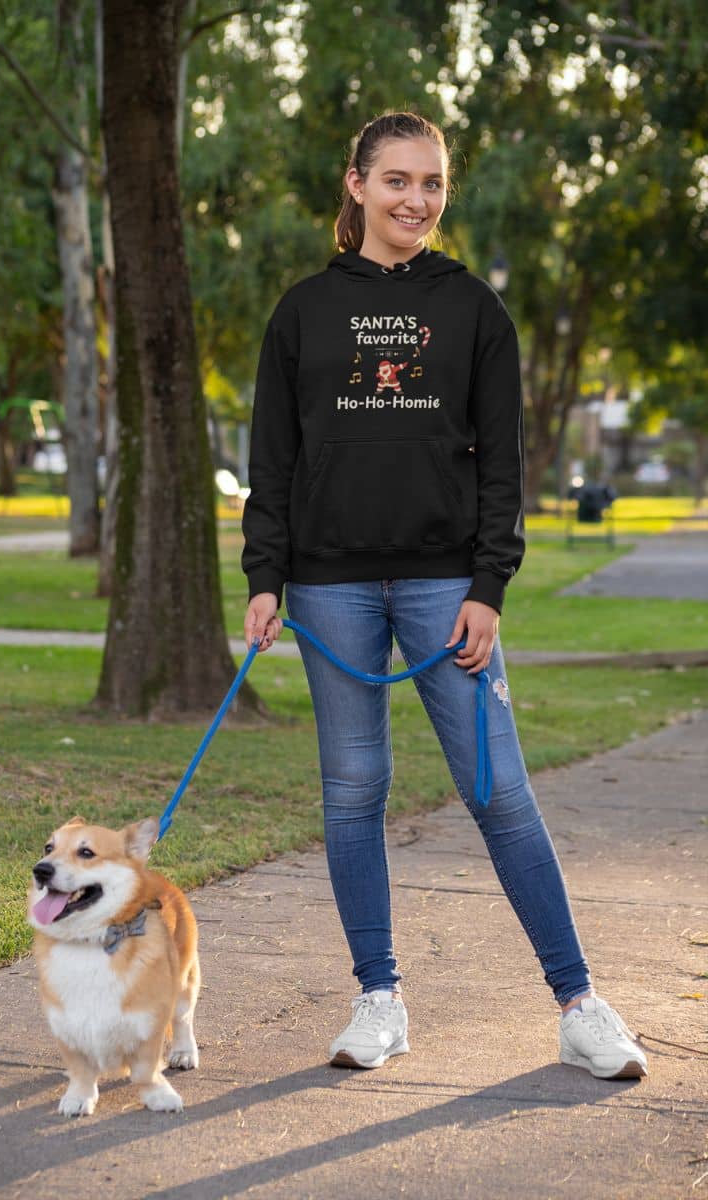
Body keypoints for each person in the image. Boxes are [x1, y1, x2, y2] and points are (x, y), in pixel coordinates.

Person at [241, 112, 647, 1082]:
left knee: (497, 793)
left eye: (431, 183)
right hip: (329, 587)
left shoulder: (472, 309)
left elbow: (503, 465)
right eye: (396, 180)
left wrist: (487, 586)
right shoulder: (302, 311)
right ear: (356, 185)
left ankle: (578, 1006)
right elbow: (272, 460)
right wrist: (264, 579)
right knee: (353, 794)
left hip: (444, 587)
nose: (415, 200)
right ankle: (378, 1000)